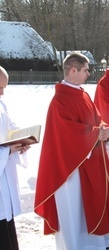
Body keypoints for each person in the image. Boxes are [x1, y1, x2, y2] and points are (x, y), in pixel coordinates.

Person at [34, 52, 109, 249]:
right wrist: (95, 134)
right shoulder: (60, 100)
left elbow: (96, 119)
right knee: (75, 209)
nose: (88, 74)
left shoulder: (83, 93)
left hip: (90, 160)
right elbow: (65, 134)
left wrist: (103, 129)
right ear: (73, 70)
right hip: (70, 168)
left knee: (91, 204)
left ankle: (96, 243)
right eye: (86, 70)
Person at [0, 66, 31, 250]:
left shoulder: (1, 104)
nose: (2, 93)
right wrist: (7, 151)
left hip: (5, 175)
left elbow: (9, 127)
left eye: (4, 87)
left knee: (7, 230)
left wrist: (21, 141)